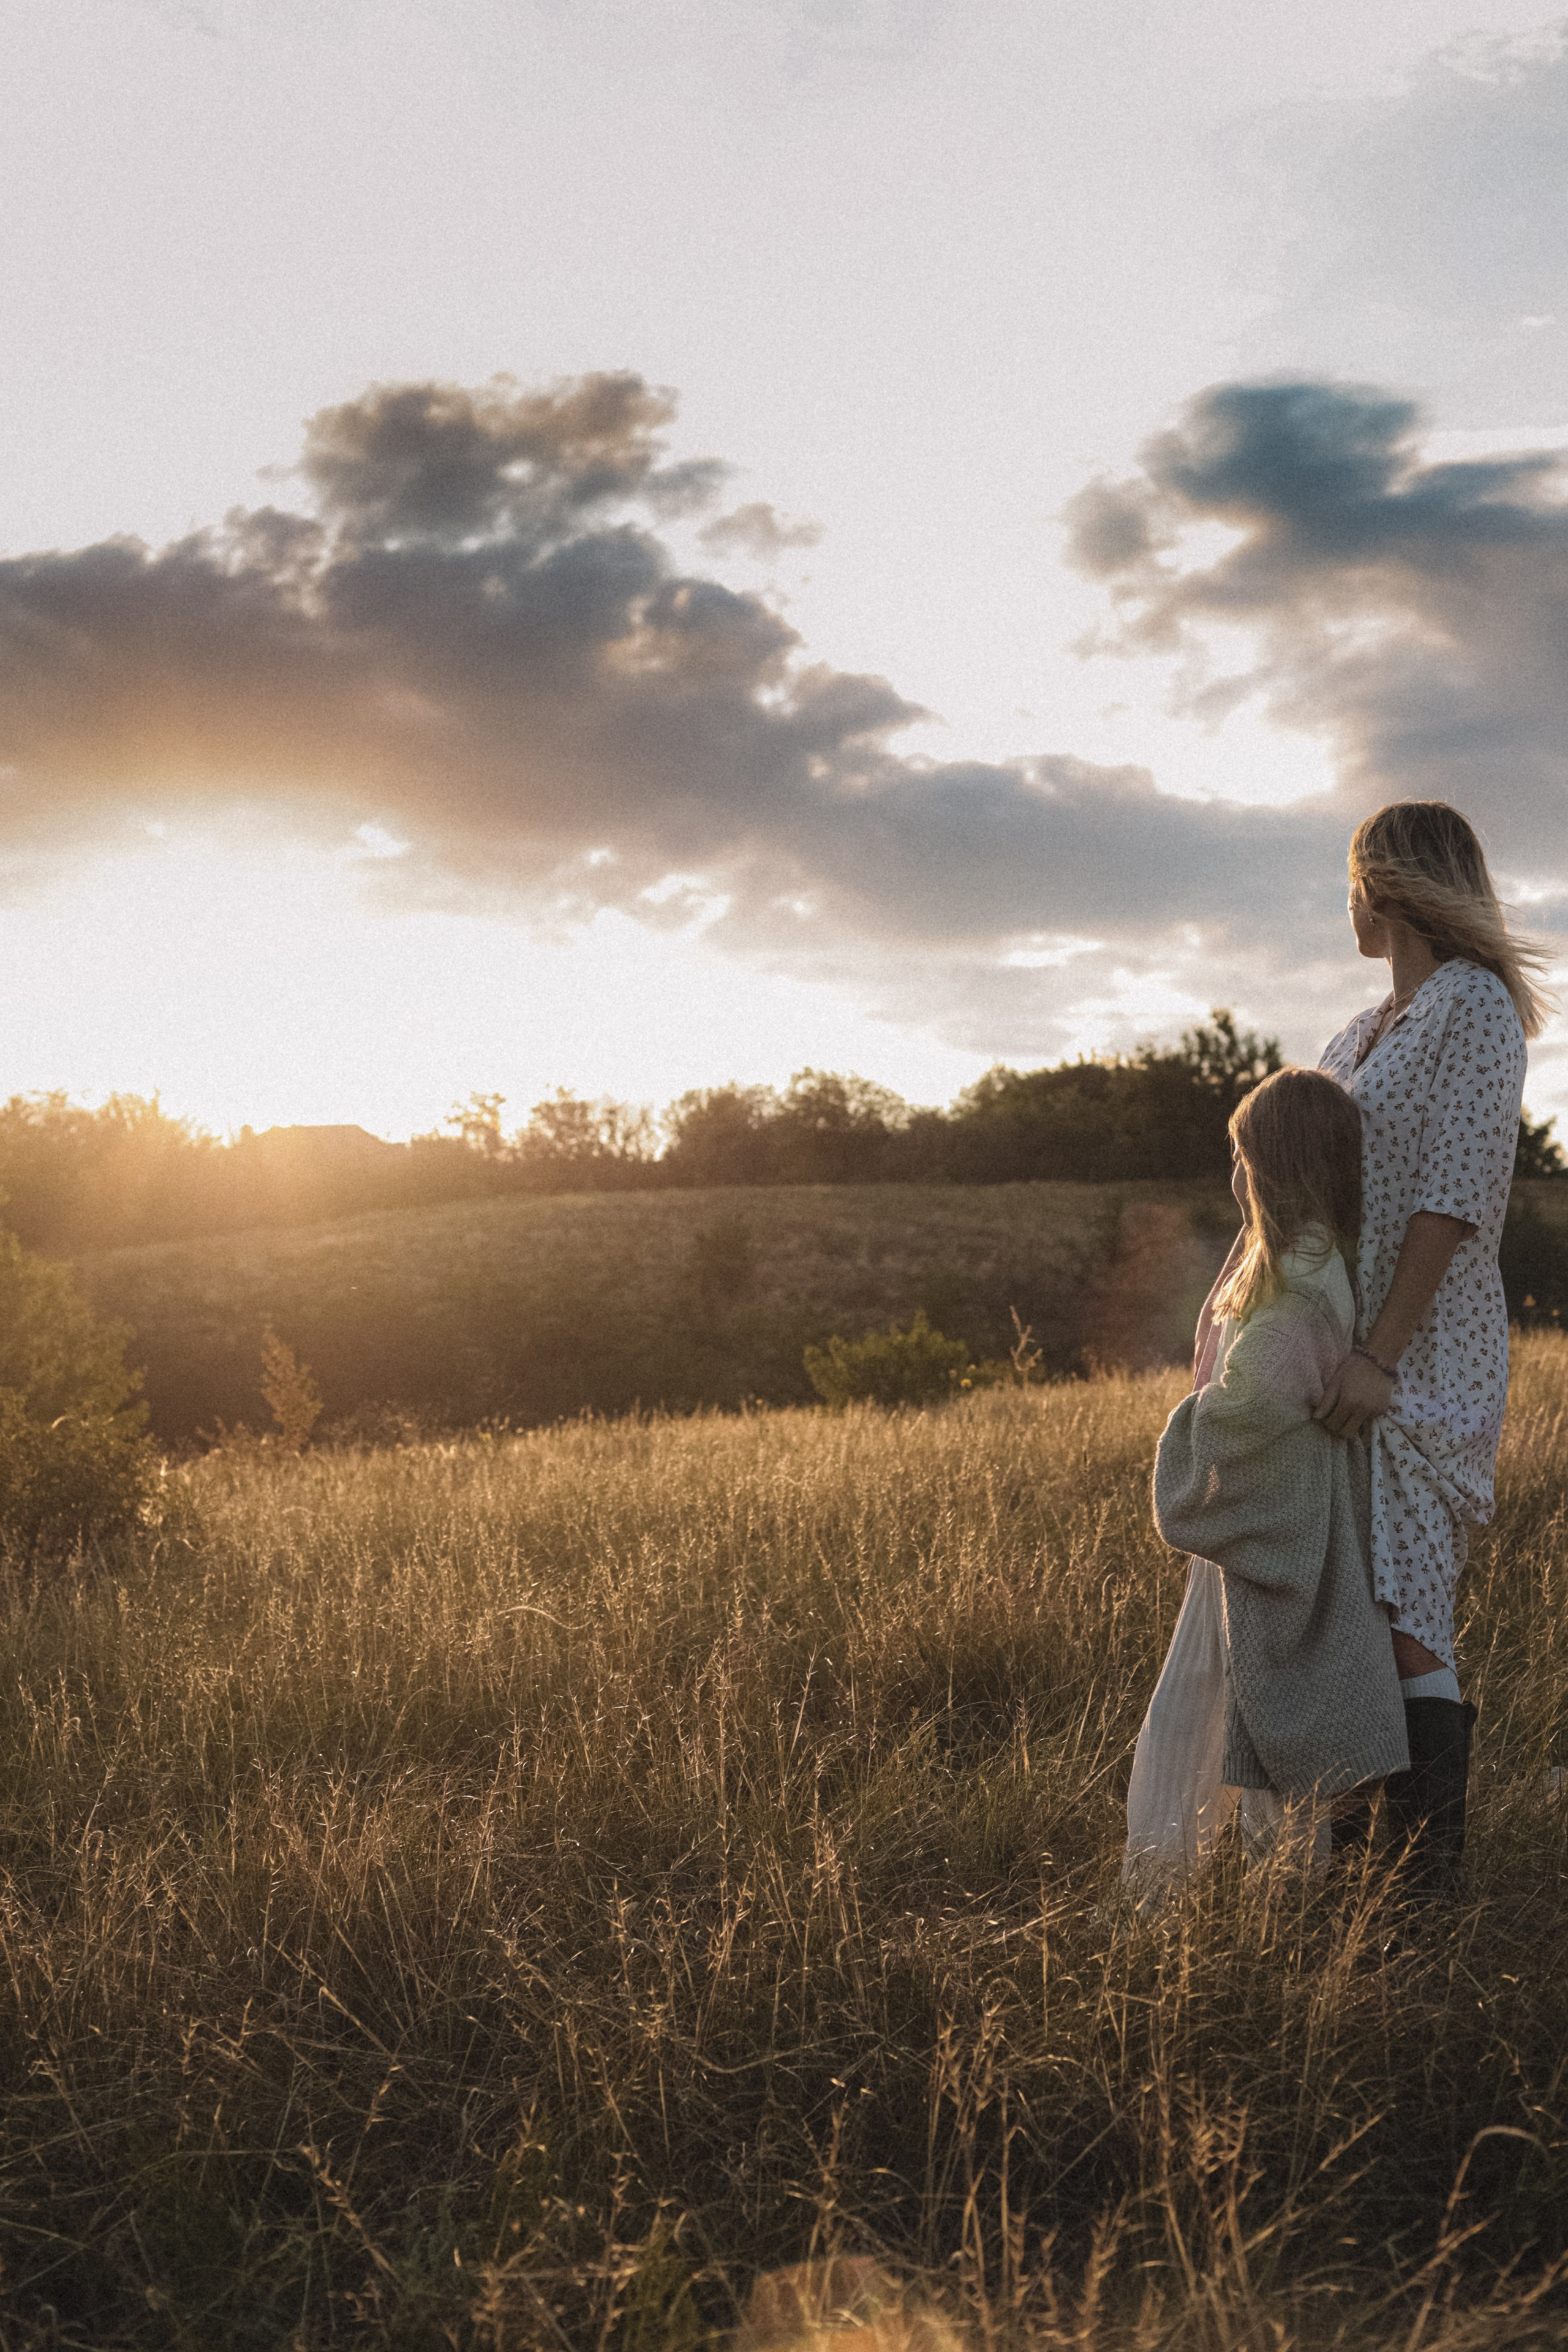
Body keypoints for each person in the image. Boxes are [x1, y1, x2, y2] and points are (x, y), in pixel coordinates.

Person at [1311, 802, 1549, 1890]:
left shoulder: (1475, 1007)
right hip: (1335, 1356)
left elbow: (1455, 1197)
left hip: (1421, 1357)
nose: (1346, 903)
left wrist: (1383, 1355)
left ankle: (1413, 1902)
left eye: (1353, 879)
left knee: (1406, 1610)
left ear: (1390, 887)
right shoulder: (1357, 1034)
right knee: (1349, 1607)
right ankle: (1352, 1878)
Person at [1123, 1069, 1409, 1904]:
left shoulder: (1302, 1278)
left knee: (1220, 1714)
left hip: (1266, 1530)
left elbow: (1251, 1405)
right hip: (1261, 1524)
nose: (1235, 1174)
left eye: (1243, 1156)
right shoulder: (1300, 1262)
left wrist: (1191, 1429)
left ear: (1274, 1165)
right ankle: (1194, 1894)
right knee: (1225, 1710)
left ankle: (1194, 1903)